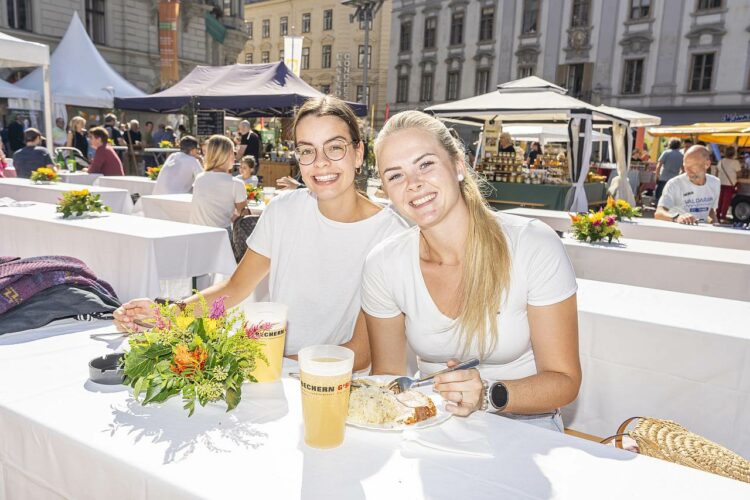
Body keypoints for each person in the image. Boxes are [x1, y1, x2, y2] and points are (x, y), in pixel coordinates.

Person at [113, 96, 408, 370]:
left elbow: (360, 352)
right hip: (274, 374)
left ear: (358, 154)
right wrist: (168, 317)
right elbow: (233, 289)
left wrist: (258, 363)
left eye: (335, 147)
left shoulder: (390, 236)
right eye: (307, 150)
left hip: (335, 388)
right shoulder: (283, 210)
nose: (320, 162)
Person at [363, 111, 580, 431]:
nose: (413, 184)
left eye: (425, 164)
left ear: (458, 165)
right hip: (432, 427)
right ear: (386, 191)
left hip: (527, 430)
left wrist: (489, 395)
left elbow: (565, 382)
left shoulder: (531, 244)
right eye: (395, 176)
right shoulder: (383, 264)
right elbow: (390, 380)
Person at [189, 135, 248, 229]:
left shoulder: (199, 178)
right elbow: (246, 218)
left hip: (196, 235)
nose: (235, 157)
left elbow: (213, 211)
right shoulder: (236, 184)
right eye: (234, 152)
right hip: (221, 238)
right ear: (228, 154)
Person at [655, 145, 719, 224]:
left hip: (702, 233)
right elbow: (658, 213)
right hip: (679, 231)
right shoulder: (674, 184)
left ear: (707, 164)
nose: (688, 171)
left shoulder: (715, 182)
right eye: (685, 166)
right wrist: (677, 217)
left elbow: (710, 210)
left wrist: (715, 222)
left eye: (693, 166)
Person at [712, 146, 742, 222]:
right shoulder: (735, 162)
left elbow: (717, 171)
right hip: (729, 185)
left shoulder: (721, 161)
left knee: (719, 201)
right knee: (726, 202)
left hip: (720, 183)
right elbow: (739, 174)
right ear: (734, 153)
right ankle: (723, 216)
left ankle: (718, 216)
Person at [655, 138, 683, 205]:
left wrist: (657, 175)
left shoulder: (666, 153)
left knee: (660, 193)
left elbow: (659, 165)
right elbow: (683, 169)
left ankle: (659, 206)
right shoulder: (681, 155)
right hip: (675, 178)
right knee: (671, 195)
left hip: (664, 177)